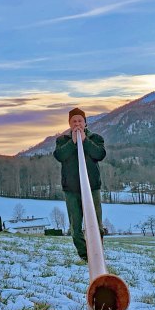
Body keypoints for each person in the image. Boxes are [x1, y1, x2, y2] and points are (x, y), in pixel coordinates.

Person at [53, 108, 106, 261]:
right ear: (69, 124)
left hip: (92, 188)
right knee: (76, 226)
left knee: (97, 224)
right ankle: (85, 255)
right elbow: (59, 155)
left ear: (85, 123)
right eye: (74, 121)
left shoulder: (96, 138)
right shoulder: (62, 141)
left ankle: (97, 253)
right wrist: (73, 143)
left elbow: (100, 154)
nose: (77, 124)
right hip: (71, 190)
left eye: (80, 121)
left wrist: (85, 141)